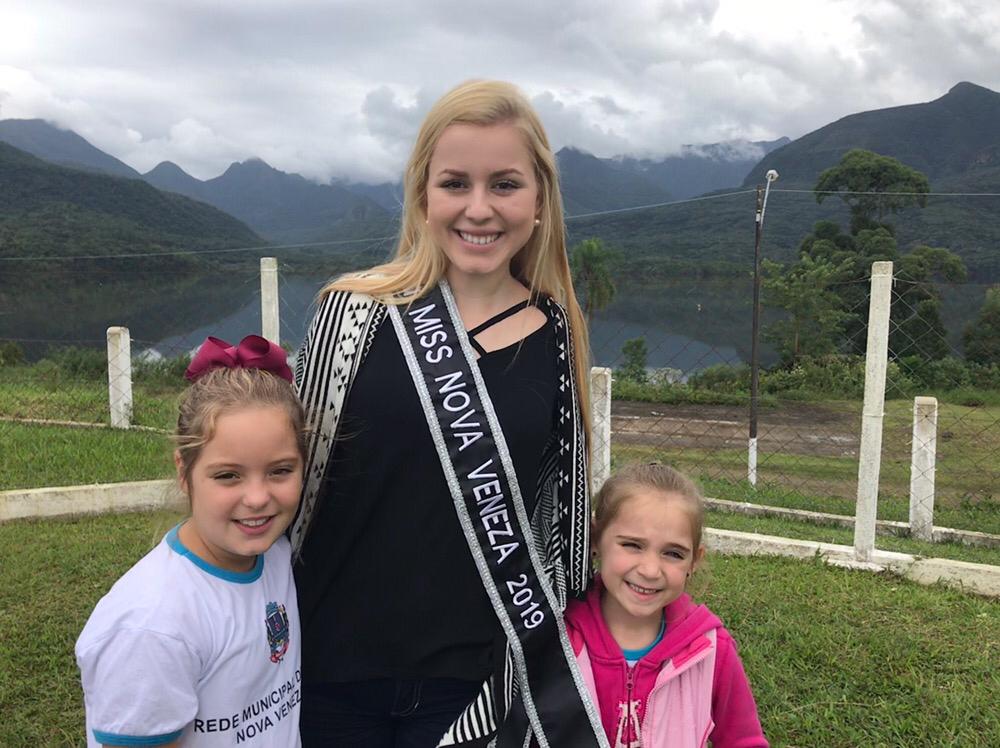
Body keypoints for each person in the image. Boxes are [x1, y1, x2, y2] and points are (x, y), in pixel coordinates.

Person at [292, 80, 607, 747]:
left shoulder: (557, 337)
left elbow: (562, 522)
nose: (479, 208)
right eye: (455, 183)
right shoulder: (350, 315)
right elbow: (289, 480)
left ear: (540, 201)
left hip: (470, 688)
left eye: (505, 185)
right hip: (329, 668)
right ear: (423, 196)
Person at [75, 335, 305, 747]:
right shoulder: (152, 627)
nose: (257, 498)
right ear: (184, 471)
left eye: (280, 471)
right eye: (228, 475)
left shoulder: (276, 555)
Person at [564, 463, 768, 748]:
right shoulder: (557, 640)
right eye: (632, 545)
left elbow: (744, 741)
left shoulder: (711, 651)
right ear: (595, 539)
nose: (650, 570)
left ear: (694, 561)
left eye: (672, 553)